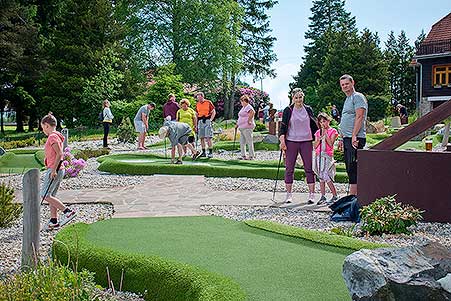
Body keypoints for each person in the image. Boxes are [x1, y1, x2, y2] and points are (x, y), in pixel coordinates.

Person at [279, 88, 318, 204]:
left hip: (306, 141)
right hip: (291, 141)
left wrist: (318, 139)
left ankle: (311, 194)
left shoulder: (308, 109)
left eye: (300, 97)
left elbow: (314, 125)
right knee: (289, 168)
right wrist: (282, 141)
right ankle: (289, 195)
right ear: (292, 98)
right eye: (296, 97)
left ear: (303, 97)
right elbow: (282, 128)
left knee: (309, 168)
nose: (298, 99)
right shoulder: (288, 110)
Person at [40, 113, 76, 230]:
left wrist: (53, 170)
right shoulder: (57, 136)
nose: (43, 130)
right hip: (57, 169)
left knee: (44, 194)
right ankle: (54, 220)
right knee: (52, 195)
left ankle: (67, 211)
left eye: (42, 127)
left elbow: (60, 154)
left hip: (54, 169)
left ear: (46, 125)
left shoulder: (52, 137)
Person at [337, 74, 368, 196]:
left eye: (347, 84)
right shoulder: (347, 99)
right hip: (347, 138)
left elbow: (360, 116)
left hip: (355, 138)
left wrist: (354, 135)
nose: (345, 86)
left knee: (354, 168)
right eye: (342, 85)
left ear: (352, 83)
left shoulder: (358, 97)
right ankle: (353, 195)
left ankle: (354, 197)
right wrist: (341, 137)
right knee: (349, 168)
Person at [313, 112, 338, 205]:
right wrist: (319, 139)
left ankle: (335, 195)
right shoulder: (317, 132)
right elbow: (315, 146)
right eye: (321, 122)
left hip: (327, 155)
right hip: (319, 155)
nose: (323, 123)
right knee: (321, 176)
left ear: (328, 121)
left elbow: (330, 144)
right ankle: (323, 196)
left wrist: (325, 134)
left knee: (326, 175)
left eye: (324, 121)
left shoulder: (333, 131)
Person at [195, 92, 216, 158]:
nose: (198, 99)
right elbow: (196, 114)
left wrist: (211, 120)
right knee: (201, 137)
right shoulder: (197, 104)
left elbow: (213, 112)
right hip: (200, 121)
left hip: (207, 120)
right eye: (197, 98)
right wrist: (195, 124)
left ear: (202, 96)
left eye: (199, 97)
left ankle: (210, 152)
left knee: (208, 137)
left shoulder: (208, 102)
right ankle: (203, 152)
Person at [235, 95, 255, 160]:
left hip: (247, 127)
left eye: (242, 101)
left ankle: (251, 156)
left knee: (249, 141)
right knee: (242, 142)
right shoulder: (243, 108)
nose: (241, 102)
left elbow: (252, 112)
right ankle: (243, 155)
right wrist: (237, 124)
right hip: (242, 127)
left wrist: (249, 120)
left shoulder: (248, 106)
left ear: (245, 101)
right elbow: (240, 117)